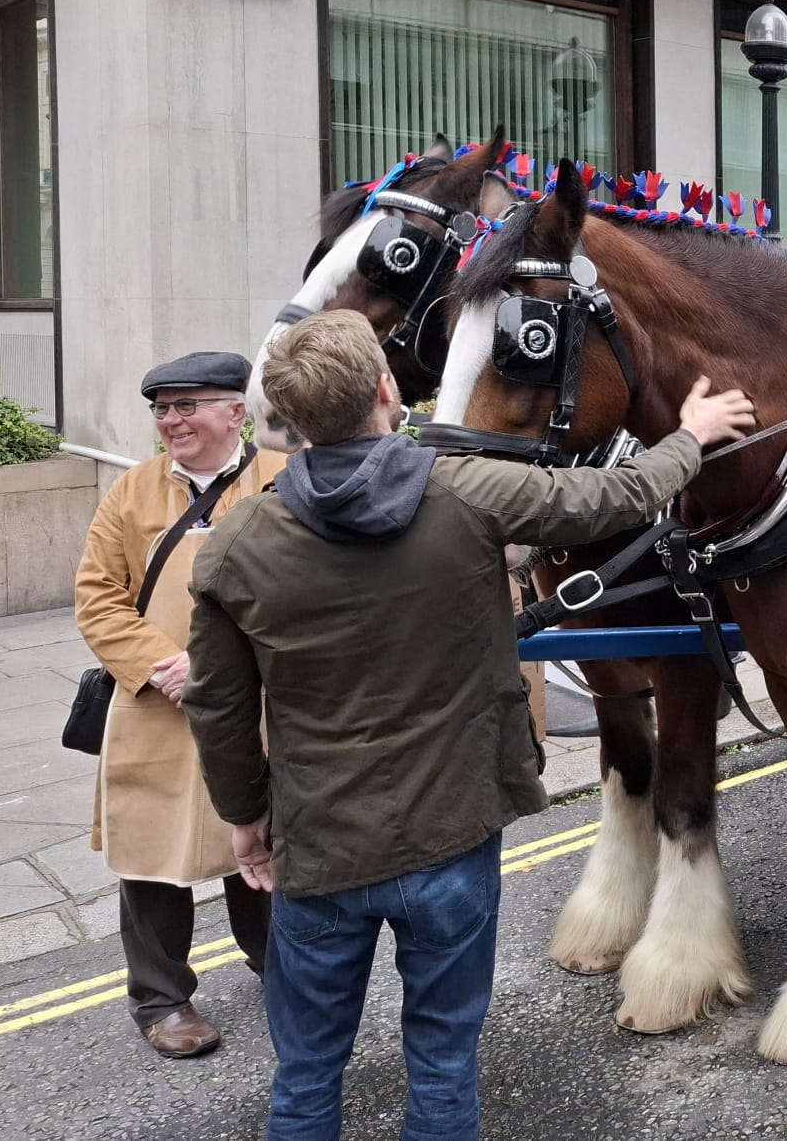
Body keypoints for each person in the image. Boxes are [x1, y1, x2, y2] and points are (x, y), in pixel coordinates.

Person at [180, 309, 755, 1141]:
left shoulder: (235, 546)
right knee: (444, 1065)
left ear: (289, 419)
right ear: (386, 390)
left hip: (318, 844)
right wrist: (691, 434)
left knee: (305, 1076)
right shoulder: (470, 491)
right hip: (452, 835)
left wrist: (244, 819)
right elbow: (616, 495)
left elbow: (220, 708)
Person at [72, 351, 286, 1057]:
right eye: (162, 408)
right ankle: (162, 1003)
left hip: (259, 705)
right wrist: (162, 666)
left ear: (236, 411)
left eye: (188, 404)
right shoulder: (130, 491)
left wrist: (224, 664)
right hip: (157, 709)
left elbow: (314, 585)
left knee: (261, 842)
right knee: (152, 857)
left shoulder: (285, 481)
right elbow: (97, 598)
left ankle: (279, 968)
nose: (171, 420)